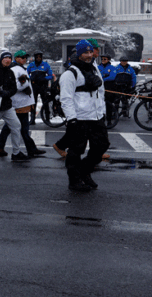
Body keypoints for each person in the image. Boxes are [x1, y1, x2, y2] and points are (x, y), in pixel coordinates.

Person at [58, 40, 109, 191]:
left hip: (96, 116)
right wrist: (71, 119)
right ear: (78, 54)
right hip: (80, 117)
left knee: (102, 146)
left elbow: (101, 92)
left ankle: (84, 172)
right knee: (76, 150)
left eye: (90, 52)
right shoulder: (70, 73)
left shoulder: (94, 68)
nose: (89, 55)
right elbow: (66, 98)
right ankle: (74, 180)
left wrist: (102, 112)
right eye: (85, 53)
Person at [0, 50, 45, 157]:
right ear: (16, 58)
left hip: (21, 103)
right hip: (19, 103)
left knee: (11, 126)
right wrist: (25, 84)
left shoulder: (18, 68)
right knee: (22, 128)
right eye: (22, 57)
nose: (24, 59)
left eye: (25, 57)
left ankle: (0, 145)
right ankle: (30, 148)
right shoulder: (15, 69)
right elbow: (16, 86)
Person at [27, 52, 55, 124]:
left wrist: (44, 78)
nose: (38, 58)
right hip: (34, 86)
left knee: (45, 102)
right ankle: (32, 119)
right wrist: (31, 78)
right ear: (35, 57)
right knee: (33, 103)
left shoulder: (45, 65)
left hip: (43, 86)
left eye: (40, 57)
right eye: (37, 57)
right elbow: (26, 74)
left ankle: (47, 119)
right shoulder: (31, 65)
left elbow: (51, 75)